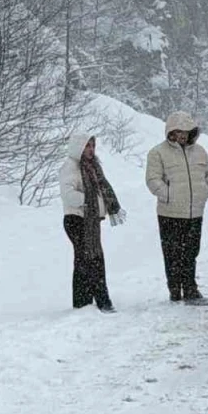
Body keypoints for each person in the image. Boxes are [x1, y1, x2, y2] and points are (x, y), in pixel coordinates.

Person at [145, 111, 208, 305]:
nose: (183, 135)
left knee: (191, 252)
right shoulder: (158, 153)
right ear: (171, 131)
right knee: (172, 254)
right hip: (170, 213)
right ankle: (175, 290)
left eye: (186, 131)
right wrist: (169, 195)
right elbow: (152, 180)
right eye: (179, 131)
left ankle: (191, 289)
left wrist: (207, 190)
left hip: (195, 212)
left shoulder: (200, 151)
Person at [60, 133, 125, 312]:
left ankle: (83, 302)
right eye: (87, 146)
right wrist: (88, 201)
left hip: (90, 220)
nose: (90, 150)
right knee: (90, 260)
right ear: (78, 147)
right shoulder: (70, 167)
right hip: (76, 219)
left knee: (88, 259)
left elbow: (101, 190)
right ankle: (101, 301)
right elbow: (67, 194)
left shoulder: (93, 167)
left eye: (92, 146)